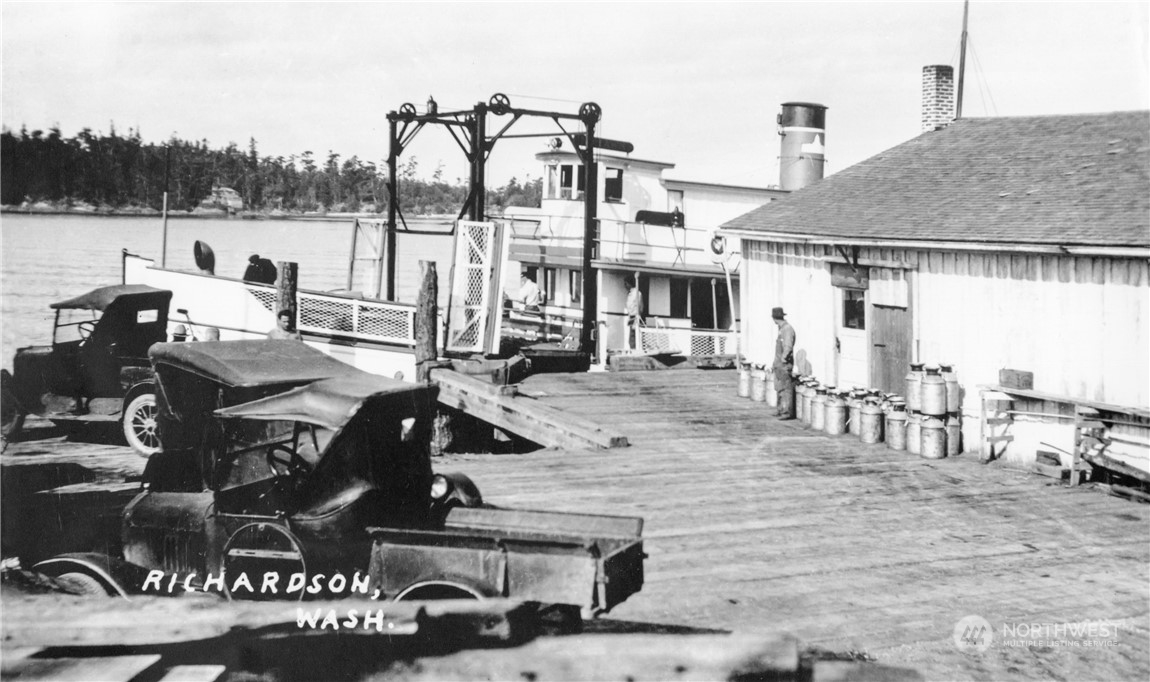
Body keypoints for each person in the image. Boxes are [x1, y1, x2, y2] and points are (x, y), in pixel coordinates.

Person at [771, 306, 796, 419]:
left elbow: (788, 346)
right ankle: (781, 409)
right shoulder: (781, 329)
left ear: (774, 318)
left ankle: (786, 412)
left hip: (784, 364)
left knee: (785, 388)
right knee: (779, 387)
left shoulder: (787, 329)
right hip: (778, 364)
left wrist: (783, 359)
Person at [624, 277, 643, 350]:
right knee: (631, 337)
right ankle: (633, 349)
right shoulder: (630, 293)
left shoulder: (637, 293)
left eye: (626, 283)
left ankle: (635, 351)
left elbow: (640, 306)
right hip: (631, 316)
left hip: (635, 316)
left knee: (634, 336)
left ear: (629, 283)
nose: (625, 286)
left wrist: (637, 316)